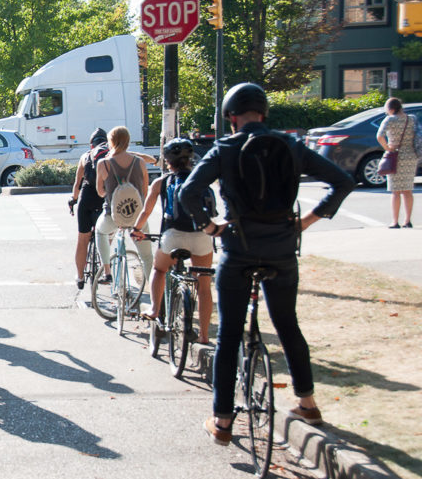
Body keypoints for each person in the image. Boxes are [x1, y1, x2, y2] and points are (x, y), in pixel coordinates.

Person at [178, 83, 354, 446]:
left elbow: (188, 192)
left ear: (231, 117)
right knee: (288, 325)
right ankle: (307, 403)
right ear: (265, 114)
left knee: (229, 335)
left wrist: (211, 226)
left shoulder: (224, 149)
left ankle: (223, 422)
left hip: (238, 249)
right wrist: (306, 221)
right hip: (282, 250)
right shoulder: (290, 146)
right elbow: (342, 181)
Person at [131, 138, 214, 344]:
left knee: (159, 270)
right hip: (201, 235)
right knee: (204, 286)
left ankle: (154, 309)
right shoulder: (201, 180)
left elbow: (146, 211)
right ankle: (203, 336)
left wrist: (137, 230)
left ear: (168, 161)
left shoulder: (162, 182)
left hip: (173, 236)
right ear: (190, 159)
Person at [94, 126, 154, 285]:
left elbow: (100, 192)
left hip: (113, 216)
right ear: (128, 141)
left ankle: (107, 272)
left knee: (100, 232)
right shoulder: (140, 162)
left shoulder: (103, 163)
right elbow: (145, 191)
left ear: (111, 142)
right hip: (137, 218)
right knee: (147, 256)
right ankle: (156, 297)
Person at [69, 128, 110, 289]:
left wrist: (73, 200)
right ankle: (105, 269)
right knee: (106, 236)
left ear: (91, 144)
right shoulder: (109, 157)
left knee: (82, 240)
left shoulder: (85, 156)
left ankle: (79, 277)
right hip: (103, 199)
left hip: (86, 200)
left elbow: (77, 183)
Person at [376, 97, 418, 228]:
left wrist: (388, 147)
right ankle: (408, 220)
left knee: (396, 191)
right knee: (407, 190)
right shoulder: (411, 119)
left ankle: (395, 221)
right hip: (411, 155)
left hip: (396, 155)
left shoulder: (389, 120)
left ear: (391, 109)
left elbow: (379, 135)